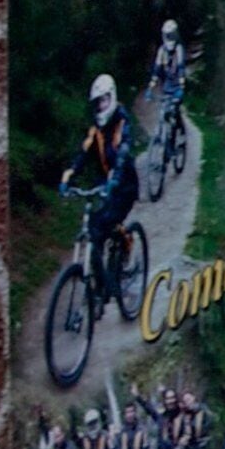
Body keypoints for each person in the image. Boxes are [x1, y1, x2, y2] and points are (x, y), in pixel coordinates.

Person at [63, 75, 135, 301]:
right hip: (105, 184)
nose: (101, 106)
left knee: (106, 224)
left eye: (104, 101)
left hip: (125, 186)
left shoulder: (122, 121)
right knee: (94, 232)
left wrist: (116, 178)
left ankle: (126, 241)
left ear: (112, 97)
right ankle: (101, 286)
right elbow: (84, 153)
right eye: (98, 103)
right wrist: (69, 176)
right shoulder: (96, 129)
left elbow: (122, 152)